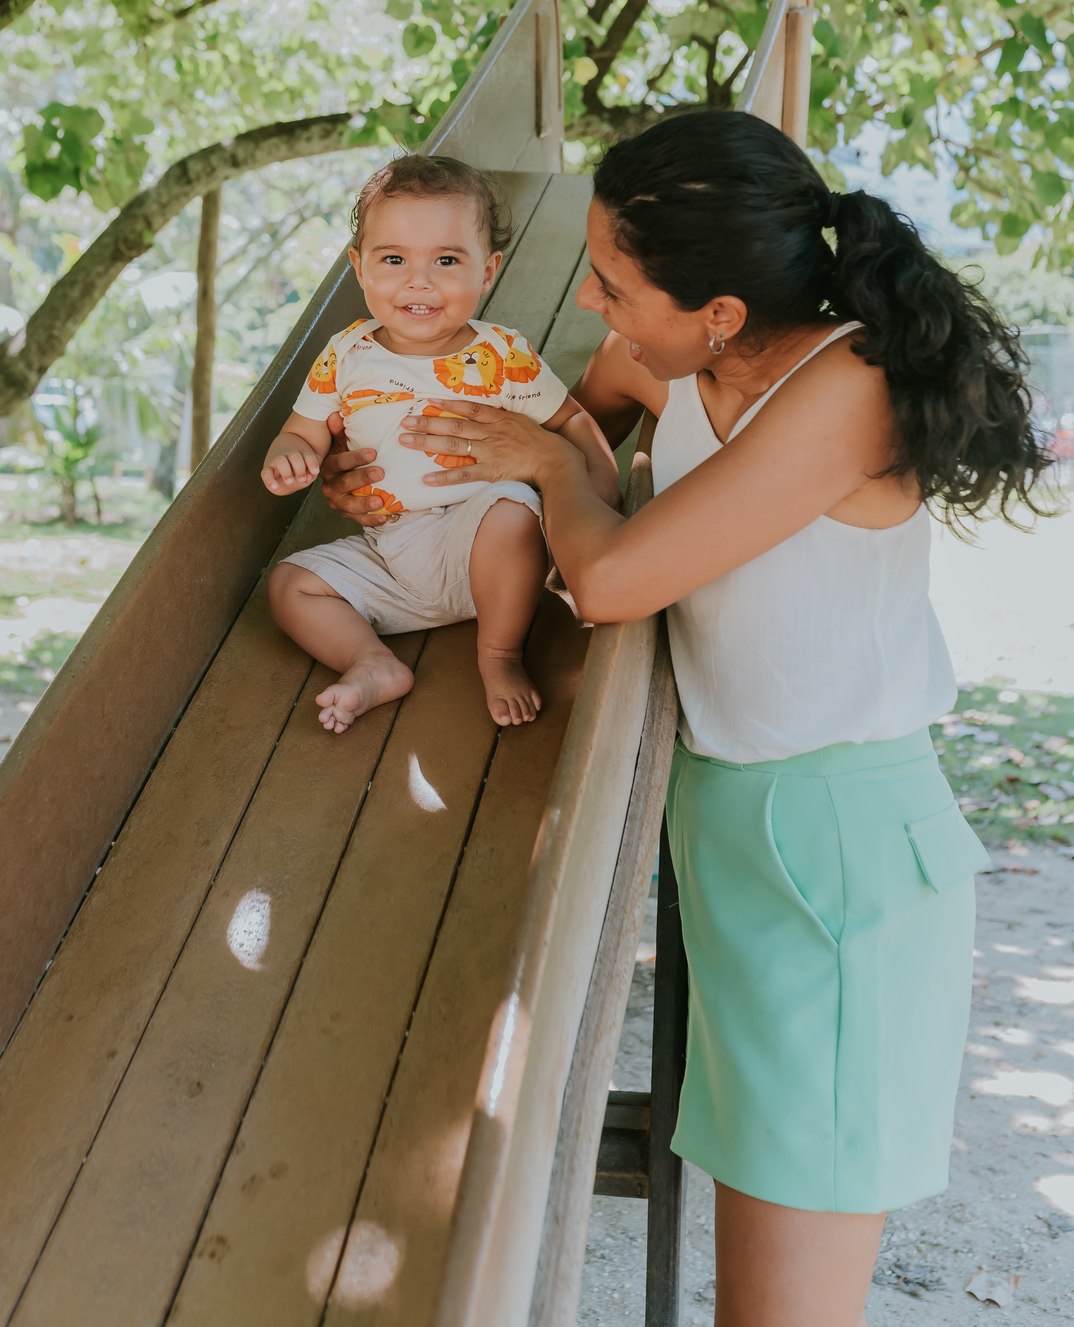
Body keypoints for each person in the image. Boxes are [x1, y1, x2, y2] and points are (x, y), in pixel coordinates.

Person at [318, 111, 1051, 1326]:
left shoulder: (847, 390)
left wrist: (552, 472)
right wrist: (394, 476)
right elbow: (561, 427)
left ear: (719, 310)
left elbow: (610, 574)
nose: (590, 303)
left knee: (780, 1311)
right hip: (728, 827)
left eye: (613, 283)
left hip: (837, 858)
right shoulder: (680, 360)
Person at [261, 153, 619, 733]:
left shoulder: (501, 354)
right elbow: (302, 430)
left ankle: (499, 654)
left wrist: (602, 488)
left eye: (447, 260)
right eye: (394, 259)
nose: (418, 280)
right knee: (288, 585)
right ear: (359, 266)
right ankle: (371, 662)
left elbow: (571, 420)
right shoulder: (346, 352)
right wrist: (290, 457)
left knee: (510, 509)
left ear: (488, 271)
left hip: (487, 543)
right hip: (390, 552)